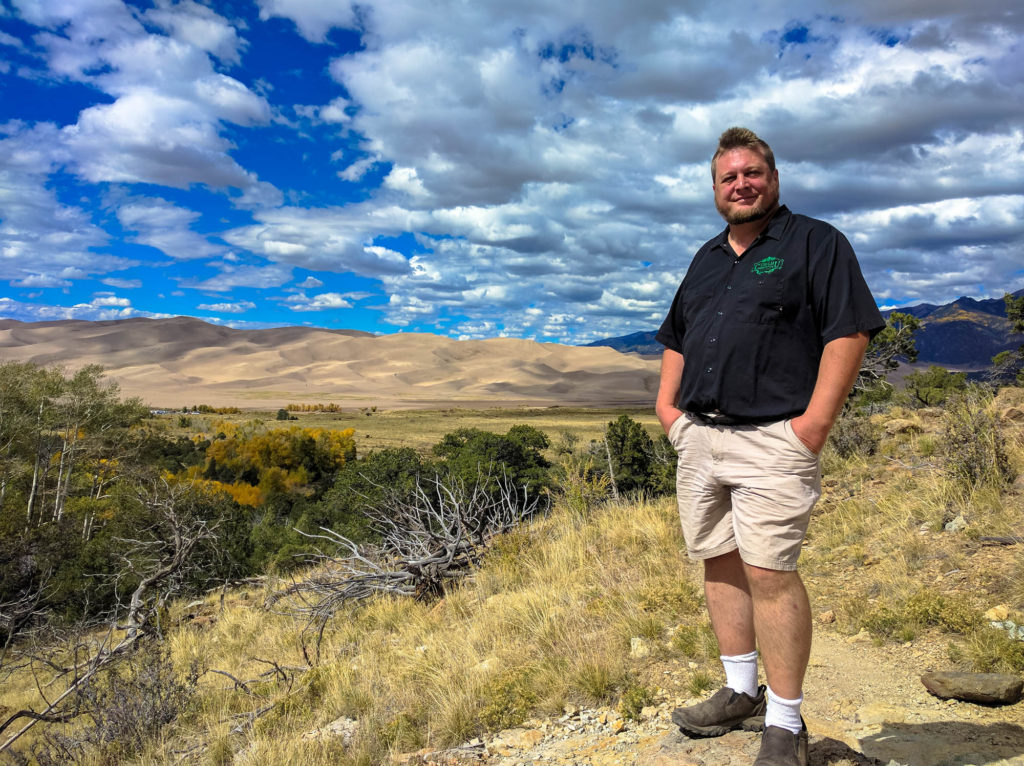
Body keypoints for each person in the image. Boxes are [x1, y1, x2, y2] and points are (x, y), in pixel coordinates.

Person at [654, 127, 884, 766]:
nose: (741, 185)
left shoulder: (815, 243)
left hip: (774, 438)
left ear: (773, 178)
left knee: (770, 573)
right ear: (715, 188)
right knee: (719, 561)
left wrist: (812, 426)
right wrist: (668, 411)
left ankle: (785, 723)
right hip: (701, 436)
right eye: (729, 178)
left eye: (751, 173)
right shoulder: (705, 258)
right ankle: (738, 691)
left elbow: (850, 331)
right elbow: (675, 336)